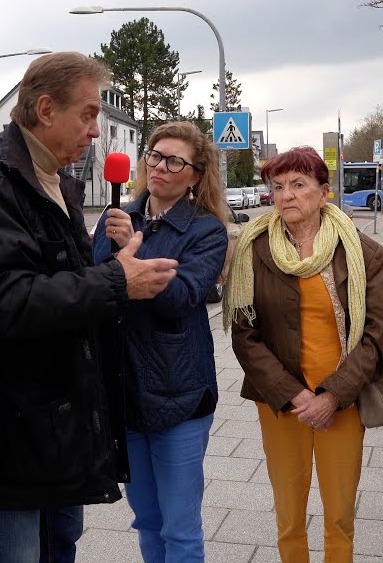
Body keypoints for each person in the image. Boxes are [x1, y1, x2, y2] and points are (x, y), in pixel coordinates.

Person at [0, 52, 180, 563]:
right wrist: (115, 281)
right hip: (8, 432)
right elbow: (6, 302)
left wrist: (115, 271)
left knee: (59, 547)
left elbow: (64, 286)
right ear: (44, 109)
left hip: (55, 425)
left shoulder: (56, 183)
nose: (93, 131)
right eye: (87, 114)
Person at [225, 146, 383, 563]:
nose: (286, 196)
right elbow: (245, 334)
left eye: (299, 185)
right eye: (278, 186)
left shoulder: (362, 252)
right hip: (282, 403)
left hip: (342, 402)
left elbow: (376, 335)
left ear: (324, 191)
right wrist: (295, 395)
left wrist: (332, 395)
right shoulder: (253, 249)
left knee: (338, 515)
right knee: (288, 514)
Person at [92, 121, 230, 563]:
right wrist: (108, 253)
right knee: (147, 520)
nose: (161, 167)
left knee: (180, 529)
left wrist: (127, 254)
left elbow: (181, 297)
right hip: (125, 393)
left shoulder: (206, 231)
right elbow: (92, 289)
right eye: (155, 155)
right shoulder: (117, 217)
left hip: (179, 395)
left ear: (195, 174)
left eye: (175, 161)